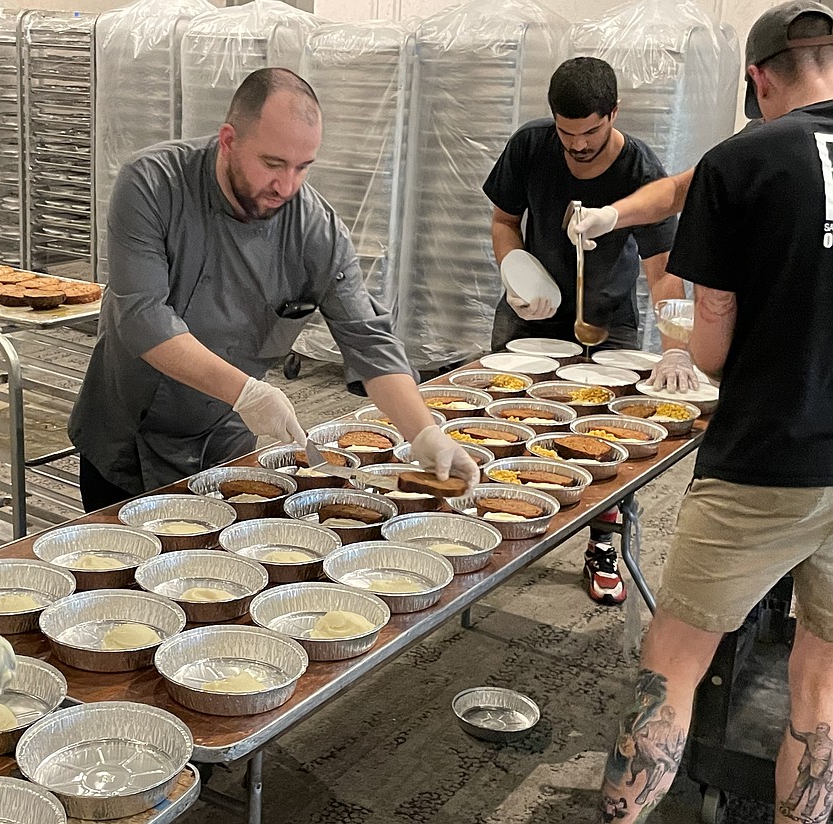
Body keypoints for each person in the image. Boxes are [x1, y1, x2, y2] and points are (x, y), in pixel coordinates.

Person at [598, 4, 833, 822]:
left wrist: (688, 341)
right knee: (820, 682)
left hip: (769, 456)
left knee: (672, 665)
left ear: (759, 78)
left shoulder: (744, 160)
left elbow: (711, 352)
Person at [69, 68, 477, 509]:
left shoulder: (314, 229)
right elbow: (143, 318)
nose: (287, 186)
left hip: (225, 437)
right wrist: (249, 391)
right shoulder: (153, 185)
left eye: (303, 167)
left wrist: (425, 432)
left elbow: (367, 339)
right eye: (272, 164)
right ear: (229, 140)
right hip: (126, 435)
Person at [482, 56, 690, 607]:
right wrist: (514, 269)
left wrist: (674, 351)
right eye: (566, 132)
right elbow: (504, 221)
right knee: (503, 417)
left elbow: (662, 271)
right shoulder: (531, 145)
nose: (576, 145)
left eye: (590, 132)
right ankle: (495, 526)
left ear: (613, 114)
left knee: (603, 439)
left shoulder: (640, 168)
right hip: (531, 306)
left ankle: (602, 546)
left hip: (605, 315)